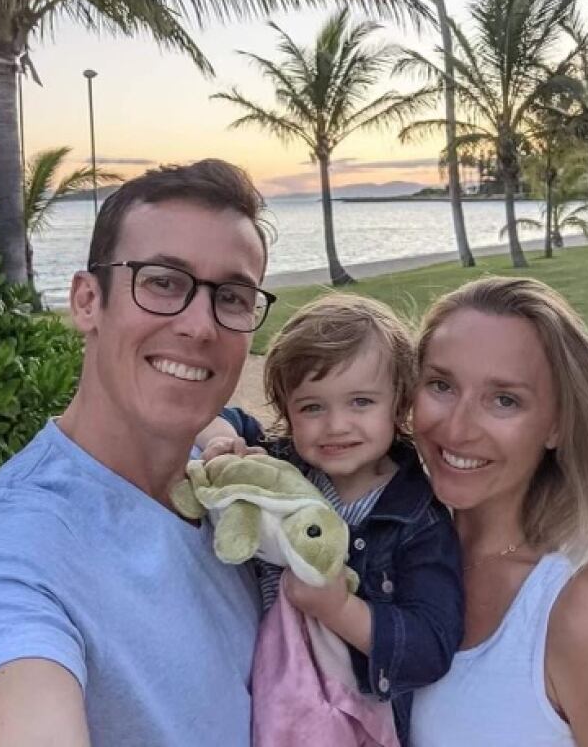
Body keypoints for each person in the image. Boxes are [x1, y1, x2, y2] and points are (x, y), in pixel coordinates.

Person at [0, 159, 279, 747]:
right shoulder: (5, 543)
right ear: (87, 301)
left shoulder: (224, 489)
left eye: (232, 296)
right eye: (163, 281)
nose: (199, 325)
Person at [408, 276, 588, 746]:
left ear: (557, 425)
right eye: (441, 385)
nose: (457, 427)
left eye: (504, 399)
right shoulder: (402, 548)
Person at [199, 294, 464, 744]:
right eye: (312, 407)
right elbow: (217, 416)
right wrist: (224, 446)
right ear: (288, 412)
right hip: (268, 701)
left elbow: (430, 646)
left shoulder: (418, 521)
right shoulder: (287, 466)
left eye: (360, 402)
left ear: (399, 404)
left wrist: (340, 609)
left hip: (353, 726)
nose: (336, 425)